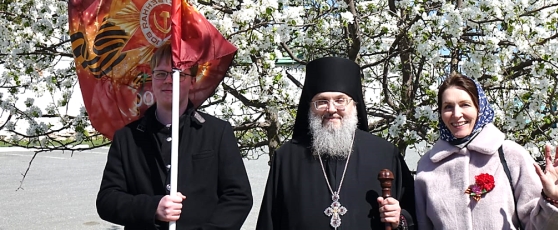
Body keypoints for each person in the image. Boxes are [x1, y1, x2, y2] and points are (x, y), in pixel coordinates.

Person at [96, 42, 252, 230]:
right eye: (161, 74)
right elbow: (107, 200)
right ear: (151, 79)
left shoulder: (217, 133)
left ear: (192, 81)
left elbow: (238, 196)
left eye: (178, 74)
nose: (168, 81)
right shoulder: (127, 138)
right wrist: (153, 208)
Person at [256, 56, 417, 230]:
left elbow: (413, 215)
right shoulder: (287, 158)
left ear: (354, 105)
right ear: (310, 107)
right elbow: (269, 222)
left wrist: (399, 218)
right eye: (322, 101)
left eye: (340, 100)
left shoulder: (385, 154)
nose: (331, 109)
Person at [415, 73, 558, 230]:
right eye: (448, 107)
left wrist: (553, 199)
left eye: (465, 104)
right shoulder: (427, 166)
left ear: (479, 108)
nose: (457, 114)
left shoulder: (509, 155)